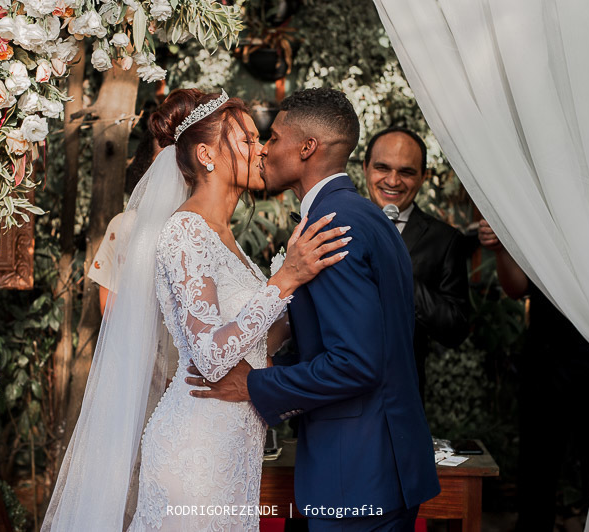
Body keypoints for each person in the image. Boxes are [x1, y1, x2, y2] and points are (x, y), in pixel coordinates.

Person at [42, 89, 350, 531]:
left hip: (234, 444)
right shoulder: (185, 232)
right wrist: (283, 282)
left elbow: (259, 344)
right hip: (196, 452)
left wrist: (294, 289)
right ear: (206, 154)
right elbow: (210, 355)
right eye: (246, 140)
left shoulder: (227, 240)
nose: (260, 148)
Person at [186, 88, 440, 531]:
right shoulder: (365, 215)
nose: (265, 148)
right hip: (384, 460)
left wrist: (257, 385)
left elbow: (356, 364)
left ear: (307, 149)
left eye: (275, 137)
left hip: (357, 471)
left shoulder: (332, 227)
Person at [478, 219, 589, 532]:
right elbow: (517, 289)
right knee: (536, 471)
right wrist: (503, 248)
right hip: (545, 358)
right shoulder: (543, 216)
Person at [363, 127, 470, 398]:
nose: (393, 180)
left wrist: (399, 274)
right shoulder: (335, 223)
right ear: (365, 168)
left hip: (400, 397)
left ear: (423, 177)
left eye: (406, 172)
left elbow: (455, 329)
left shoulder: (444, 241)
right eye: (382, 168)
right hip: (329, 396)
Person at [89, 120, 163, 314]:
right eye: (161, 161)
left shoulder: (203, 225)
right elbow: (108, 308)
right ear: (147, 166)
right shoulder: (124, 225)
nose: (170, 171)